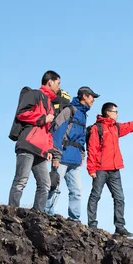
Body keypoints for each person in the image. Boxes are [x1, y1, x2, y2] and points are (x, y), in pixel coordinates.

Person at [86, 102, 133, 237]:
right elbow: (92, 149)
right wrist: (91, 168)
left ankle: (120, 227)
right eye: (115, 111)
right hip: (100, 169)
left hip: (115, 169)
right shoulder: (96, 128)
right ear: (108, 113)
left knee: (119, 198)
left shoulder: (116, 127)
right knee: (95, 196)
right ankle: (92, 225)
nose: (117, 114)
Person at [8, 70, 62, 211]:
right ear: (50, 81)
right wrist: (43, 118)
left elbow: (48, 131)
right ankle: (11, 211)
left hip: (41, 150)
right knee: (21, 180)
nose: (59, 87)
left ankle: (37, 216)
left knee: (45, 184)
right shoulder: (34, 94)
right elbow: (22, 113)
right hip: (28, 144)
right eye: (58, 83)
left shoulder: (50, 104)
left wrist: (49, 149)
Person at [45, 86, 99, 221]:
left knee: (76, 191)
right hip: (62, 156)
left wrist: (82, 155)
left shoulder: (83, 114)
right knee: (54, 186)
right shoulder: (69, 110)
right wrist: (56, 156)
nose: (93, 100)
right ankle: (46, 213)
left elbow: (81, 137)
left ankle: (75, 218)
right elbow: (57, 133)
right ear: (84, 96)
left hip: (74, 159)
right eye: (92, 97)